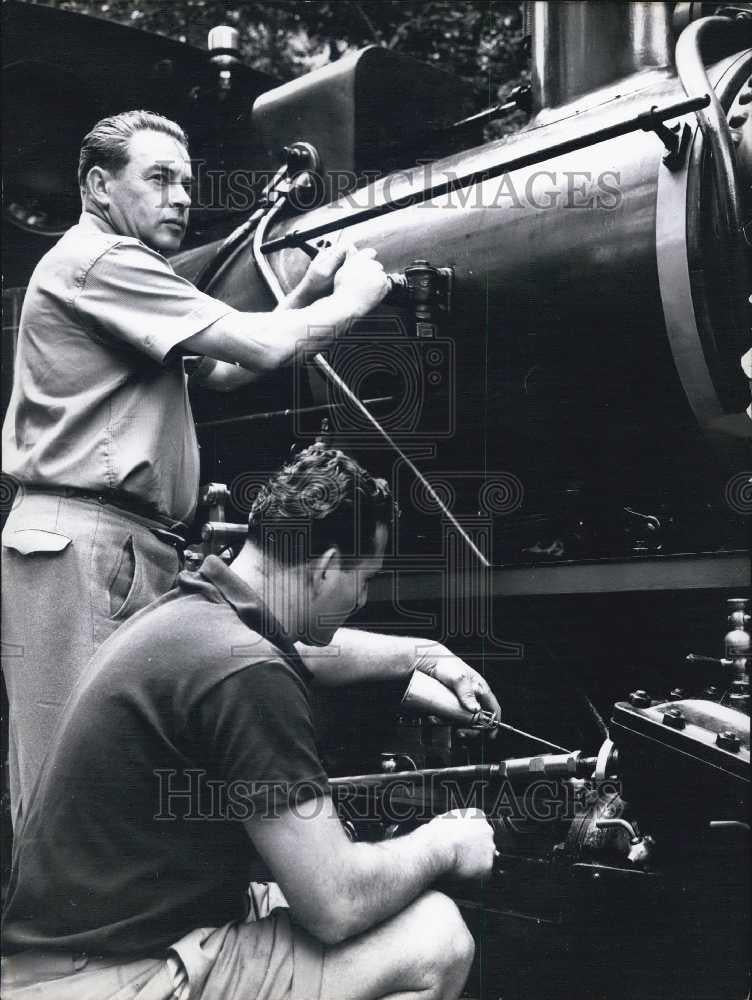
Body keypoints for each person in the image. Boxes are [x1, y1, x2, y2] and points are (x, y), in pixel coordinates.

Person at [0, 108, 390, 827]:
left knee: (112, 774)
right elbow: (264, 351)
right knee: (71, 785)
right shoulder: (101, 260)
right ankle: (49, 940)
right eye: (158, 178)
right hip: (87, 542)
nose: (182, 196)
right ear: (98, 186)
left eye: (187, 181)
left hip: (118, 542)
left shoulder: (117, 270)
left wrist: (306, 294)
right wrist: (354, 302)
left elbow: (215, 370)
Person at [2, 445, 496, 1000]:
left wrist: (424, 654)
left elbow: (311, 656)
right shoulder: (248, 671)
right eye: (364, 579)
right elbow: (336, 904)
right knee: (436, 937)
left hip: (71, 954)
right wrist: (446, 842)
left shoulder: (195, 616)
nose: (362, 598)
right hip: (109, 978)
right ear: (326, 567)